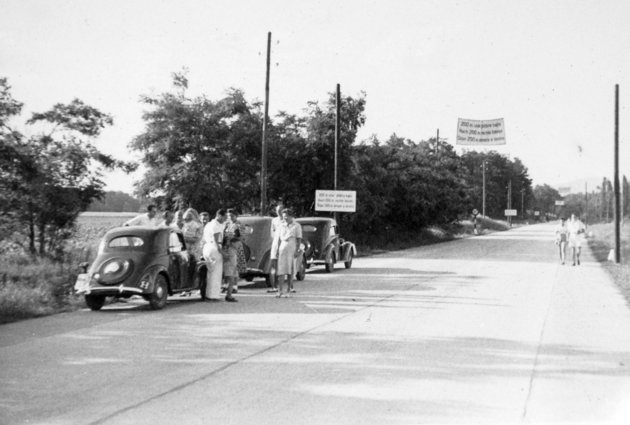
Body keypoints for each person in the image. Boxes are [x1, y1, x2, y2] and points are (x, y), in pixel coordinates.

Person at [270, 208, 302, 298]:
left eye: (287, 216)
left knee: (289, 270)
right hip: (282, 248)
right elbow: (279, 239)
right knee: (281, 270)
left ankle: (288, 290)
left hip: (292, 247)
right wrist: (276, 250)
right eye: (284, 217)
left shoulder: (296, 226)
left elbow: (299, 239)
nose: (285, 218)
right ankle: (280, 291)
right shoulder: (281, 226)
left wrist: (297, 250)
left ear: (291, 216)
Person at [201, 209, 227, 301]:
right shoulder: (215, 226)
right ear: (219, 216)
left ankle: (208, 294)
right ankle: (213, 296)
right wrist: (223, 253)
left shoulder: (209, 224)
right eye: (224, 217)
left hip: (207, 247)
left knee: (210, 272)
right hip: (214, 248)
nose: (225, 219)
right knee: (216, 273)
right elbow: (217, 241)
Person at [224, 208, 246, 293]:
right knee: (228, 267)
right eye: (229, 216)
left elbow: (242, 237)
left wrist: (233, 238)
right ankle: (227, 285)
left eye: (232, 216)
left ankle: (235, 285)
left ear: (236, 216)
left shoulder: (239, 225)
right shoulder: (226, 224)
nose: (230, 217)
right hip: (227, 247)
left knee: (235, 267)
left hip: (236, 246)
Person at [267, 203, 284, 293]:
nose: (279, 212)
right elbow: (272, 233)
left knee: (281, 267)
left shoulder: (286, 221)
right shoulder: (274, 220)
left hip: (283, 244)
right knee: (274, 266)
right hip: (275, 244)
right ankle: (274, 286)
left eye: (280, 210)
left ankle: (281, 286)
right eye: (277, 211)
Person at [221, 236, 239, 302]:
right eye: (237, 244)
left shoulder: (234, 250)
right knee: (231, 281)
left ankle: (229, 294)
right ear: (232, 243)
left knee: (232, 281)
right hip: (229, 267)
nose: (238, 245)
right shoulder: (230, 249)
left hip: (232, 267)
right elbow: (227, 257)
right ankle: (228, 295)